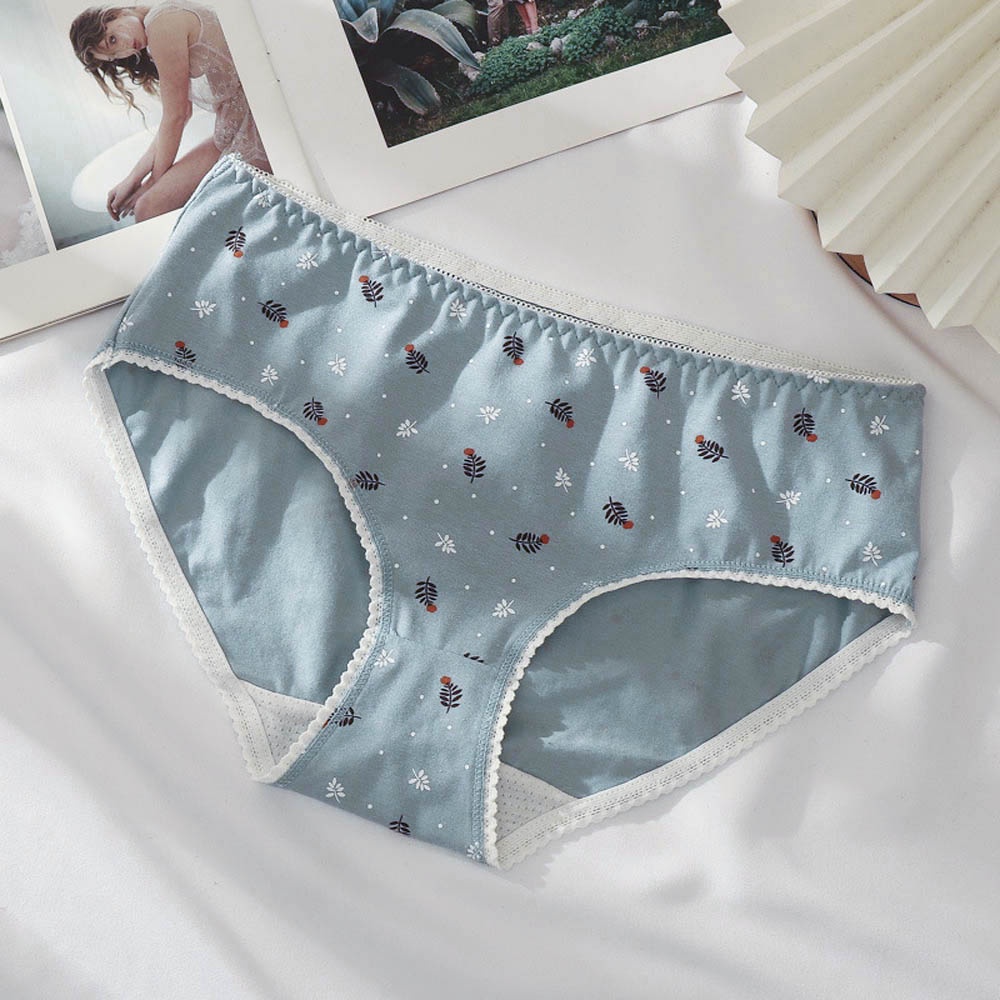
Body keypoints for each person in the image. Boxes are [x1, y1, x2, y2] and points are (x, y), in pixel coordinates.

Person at [70, 3, 271, 224]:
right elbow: (180, 115)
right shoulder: (156, 26)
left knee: (148, 208)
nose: (126, 51)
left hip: (257, 129)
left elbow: (176, 116)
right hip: (233, 129)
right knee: (147, 206)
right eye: (115, 56)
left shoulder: (161, 23)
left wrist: (152, 183)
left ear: (117, 13)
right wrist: (133, 179)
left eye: (112, 40)